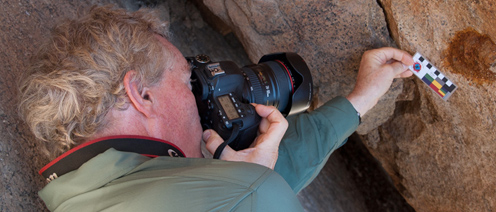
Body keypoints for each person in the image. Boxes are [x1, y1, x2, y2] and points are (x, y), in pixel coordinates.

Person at [19, 5, 414, 212]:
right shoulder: (245, 195)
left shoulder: (84, 192)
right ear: (141, 95)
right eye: (187, 80)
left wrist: (362, 97)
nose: (199, 94)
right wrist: (249, 187)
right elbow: (256, 195)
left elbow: (267, 181)